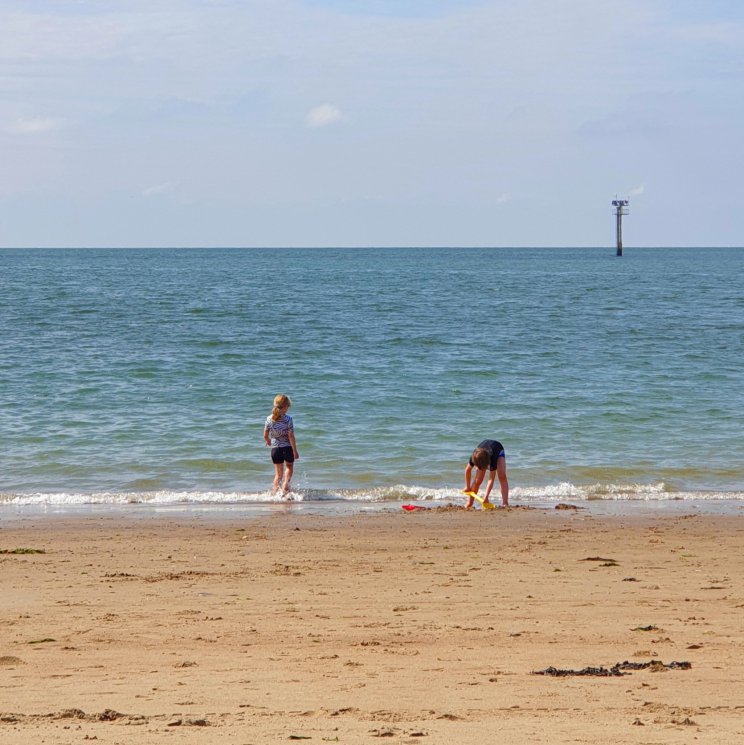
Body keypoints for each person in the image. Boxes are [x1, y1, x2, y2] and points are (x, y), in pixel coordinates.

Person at [263, 393, 299, 495]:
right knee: (289, 467)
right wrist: (294, 451)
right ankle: (285, 486)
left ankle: (275, 494)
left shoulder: (269, 419)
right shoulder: (288, 419)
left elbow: (265, 434)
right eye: (288, 406)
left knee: (278, 475)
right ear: (285, 407)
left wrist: (268, 441)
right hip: (287, 448)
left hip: (275, 449)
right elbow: (291, 436)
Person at [463, 439, 509, 508]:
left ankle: (505, 502)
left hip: (498, 449)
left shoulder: (493, 459)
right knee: (478, 480)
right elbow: (467, 470)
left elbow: (491, 479)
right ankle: (470, 502)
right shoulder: (474, 457)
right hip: (483, 450)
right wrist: (467, 486)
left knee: (502, 475)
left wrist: (486, 496)